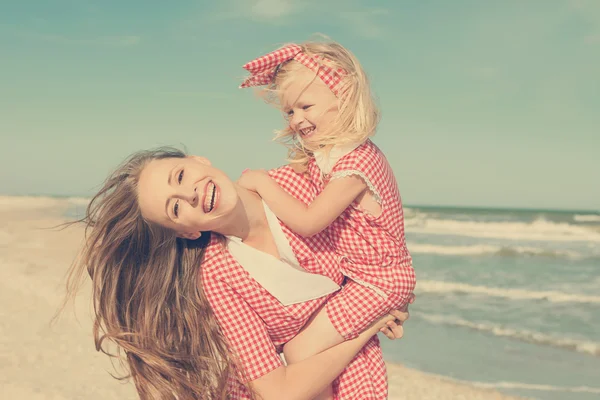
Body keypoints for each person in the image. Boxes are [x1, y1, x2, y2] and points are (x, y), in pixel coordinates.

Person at [64, 148, 411, 400]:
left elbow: (381, 258)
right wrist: (371, 321)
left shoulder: (302, 186)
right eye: (175, 207)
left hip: (354, 382)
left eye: (181, 176)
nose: (190, 193)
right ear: (185, 232)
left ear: (199, 160)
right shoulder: (217, 276)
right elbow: (277, 391)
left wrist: (388, 301)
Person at [237, 40, 417, 399]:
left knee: (299, 352)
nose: (297, 119)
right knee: (309, 351)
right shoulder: (331, 156)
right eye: (289, 112)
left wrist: (259, 181)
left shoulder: (355, 164)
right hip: (360, 277)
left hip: (379, 282)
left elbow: (309, 221)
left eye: (306, 106)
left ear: (345, 94)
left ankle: (377, 323)